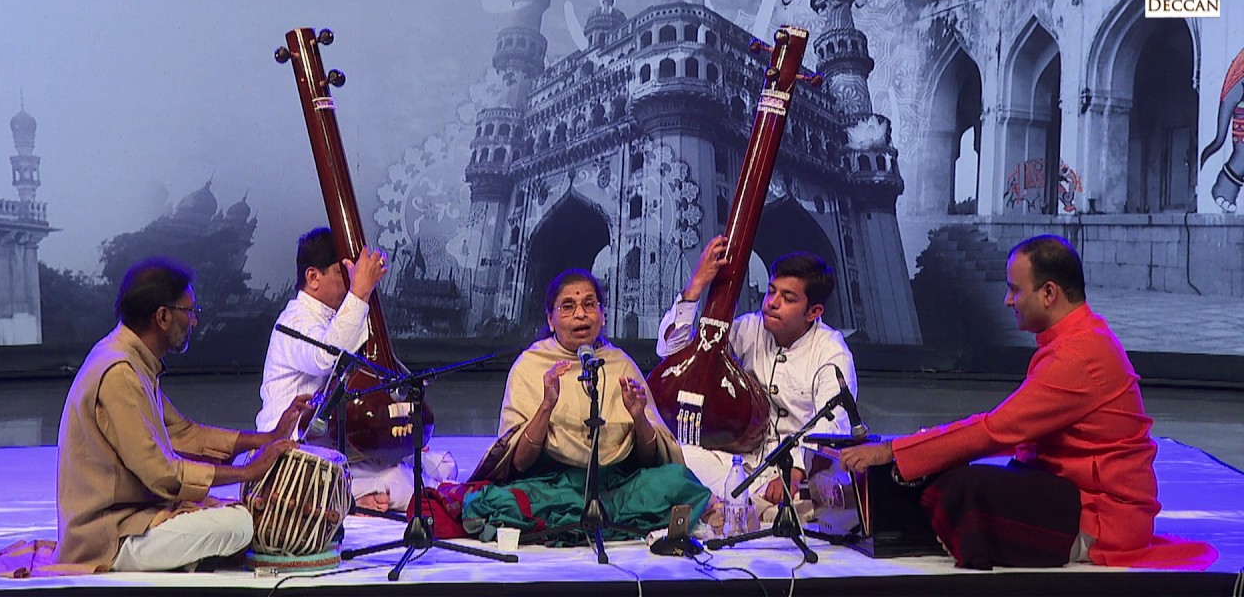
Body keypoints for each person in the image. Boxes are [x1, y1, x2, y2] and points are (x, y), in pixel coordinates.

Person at [839, 235, 1217, 569]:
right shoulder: (1077, 340)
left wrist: (892, 450)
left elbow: (996, 430)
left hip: (1101, 517)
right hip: (1066, 497)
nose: (1007, 300)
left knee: (964, 486)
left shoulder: (1080, 354)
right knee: (942, 472)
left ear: (1049, 293)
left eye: (1015, 290)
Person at [55, 257, 306, 572]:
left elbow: (184, 433)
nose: (195, 322)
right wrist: (248, 472)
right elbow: (162, 474)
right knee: (237, 523)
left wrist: (267, 438)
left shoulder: (130, 359)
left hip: (134, 518)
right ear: (162, 316)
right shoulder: (120, 372)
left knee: (228, 514)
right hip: (110, 536)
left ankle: (192, 558)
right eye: (190, 312)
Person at [464, 269, 711, 541]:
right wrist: (547, 406)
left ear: (602, 315)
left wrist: (639, 418)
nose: (581, 314)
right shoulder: (531, 365)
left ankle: (584, 524)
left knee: (679, 483)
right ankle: (605, 523)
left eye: (589, 304)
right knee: (494, 503)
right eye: (568, 307)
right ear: (551, 318)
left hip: (617, 486)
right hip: (555, 487)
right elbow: (519, 462)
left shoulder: (620, 363)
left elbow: (649, 460)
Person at [256, 227, 456, 512]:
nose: (352, 284)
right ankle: (348, 498)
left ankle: (348, 496)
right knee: (401, 481)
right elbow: (327, 357)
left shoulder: (337, 317)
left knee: (442, 465)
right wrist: (360, 292)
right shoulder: (294, 322)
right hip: (295, 450)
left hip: (334, 442)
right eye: (344, 275)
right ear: (313, 277)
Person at [656, 236, 856, 518]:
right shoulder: (749, 329)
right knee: (679, 454)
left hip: (796, 476)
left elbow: (832, 424)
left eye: (787, 298)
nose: (772, 303)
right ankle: (755, 510)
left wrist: (795, 471)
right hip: (743, 465)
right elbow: (673, 353)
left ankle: (736, 508)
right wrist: (694, 288)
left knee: (821, 493)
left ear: (814, 312)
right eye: (771, 291)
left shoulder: (831, 353)